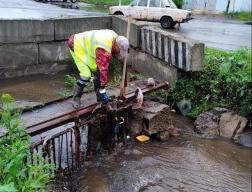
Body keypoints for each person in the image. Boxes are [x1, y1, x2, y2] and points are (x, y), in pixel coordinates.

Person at [68, 29, 129, 108]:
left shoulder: (115, 37)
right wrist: (103, 90)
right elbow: (102, 70)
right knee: (86, 76)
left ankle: (99, 97)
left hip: (88, 47)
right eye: (119, 51)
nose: (119, 53)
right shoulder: (104, 48)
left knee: (97, 73)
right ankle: (76, 99)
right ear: (116, 45)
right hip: (76, 45)